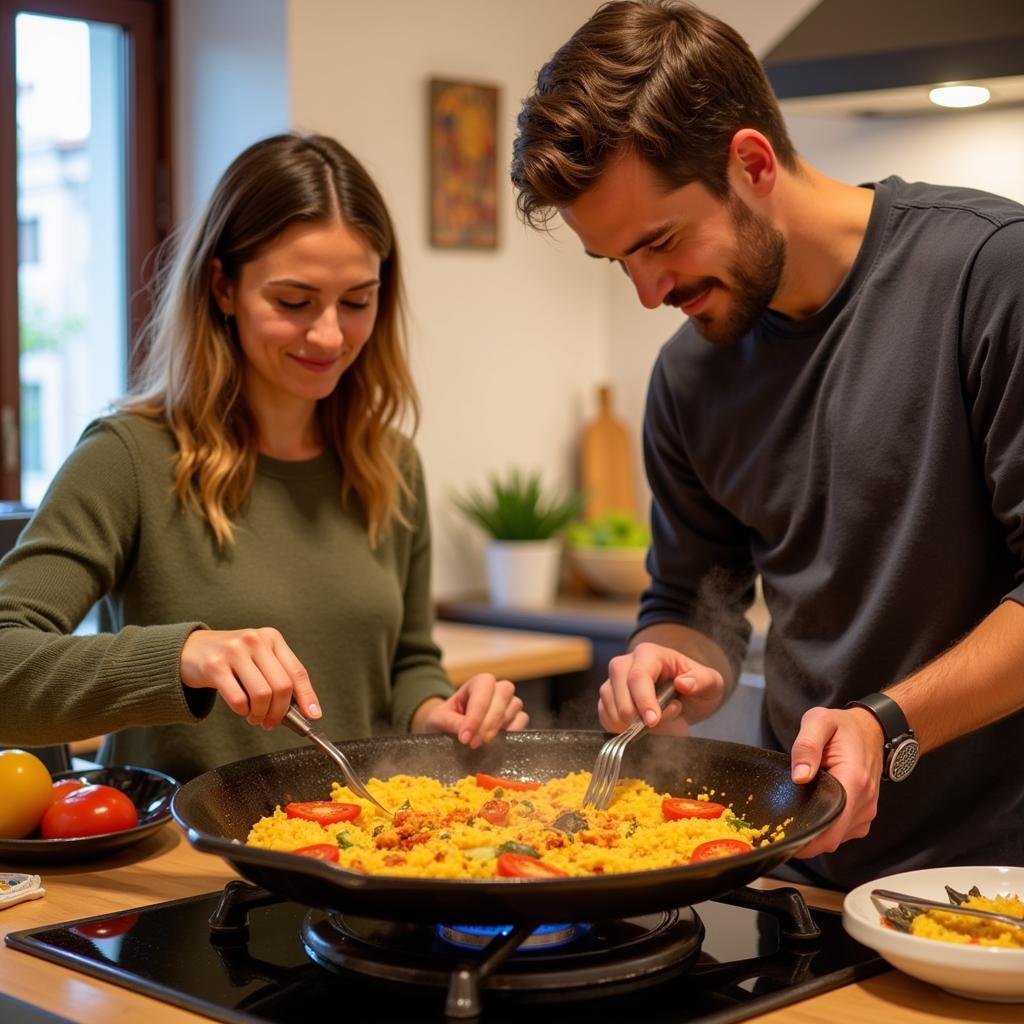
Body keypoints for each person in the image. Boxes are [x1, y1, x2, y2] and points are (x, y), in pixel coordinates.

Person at [511, 0, 1024, 889]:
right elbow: (694, 597)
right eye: (616, 261)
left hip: (996, 888)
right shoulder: (688, 377)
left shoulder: (990, 275)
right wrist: (671, 662)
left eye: (660, 242)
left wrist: (887, 723)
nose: (646, 292)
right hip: (797, 873)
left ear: (750, 163)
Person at [0, 132, 527, 783]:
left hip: (356, 860)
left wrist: (438, 711)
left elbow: (406, 663)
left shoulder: (391, 465)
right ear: (222, 287)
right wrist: (184, 655)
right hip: (190, 872)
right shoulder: (128, 457)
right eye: (293, 302)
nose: (330, 335)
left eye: (358, 301)